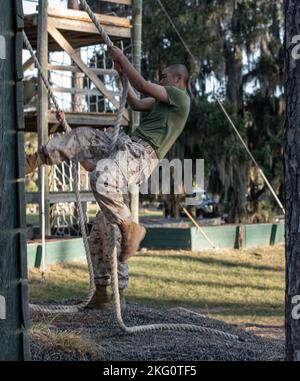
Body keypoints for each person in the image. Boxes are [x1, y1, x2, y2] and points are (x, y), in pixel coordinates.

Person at [25, 46, 191, 307]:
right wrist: (121, 75)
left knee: (103, 183)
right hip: (125, 147)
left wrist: (121, 59)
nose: (162, 79)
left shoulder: (179, 98)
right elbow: (135, 101)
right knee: (84, 137)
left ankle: (130, 229)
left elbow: (144, 85)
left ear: (178, 80)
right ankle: (33, 160)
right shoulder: (161, 104)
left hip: (141, 154)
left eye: (165, 76)